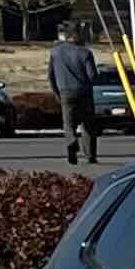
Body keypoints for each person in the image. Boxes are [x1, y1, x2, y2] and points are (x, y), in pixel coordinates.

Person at [46, 20, 101, 168]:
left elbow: (50, 75)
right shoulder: (85, 53)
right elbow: (92, 76)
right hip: (83, 92)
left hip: (65, 92)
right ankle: (90, 155)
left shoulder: (56, 52)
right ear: (78, 36)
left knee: (69, 124)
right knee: (88, 124)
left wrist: (57, 92)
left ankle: (71, 143)